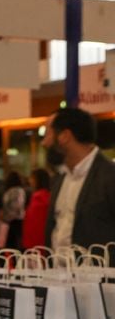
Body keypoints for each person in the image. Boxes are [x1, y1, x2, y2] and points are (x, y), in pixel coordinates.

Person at [44, 107, 115, 250]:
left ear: (65, 136)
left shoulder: (109, 176)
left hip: (99, 270)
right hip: (58, 270)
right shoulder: (60, 178)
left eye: (48, 134)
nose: (44, 143)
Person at [22, 168, 53, 251]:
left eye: (32, 178)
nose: (30, 181)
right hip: (43, 242)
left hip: (36, 243)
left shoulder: (39, 197)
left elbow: (34, 224)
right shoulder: (47, 195)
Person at [0, 170, 28, 250]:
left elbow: (16, 206)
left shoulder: (14, 191)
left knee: (11, 245)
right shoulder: (19, 190)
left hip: (12, 220)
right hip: (17, 220)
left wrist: (5, 216)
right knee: (13, 245)